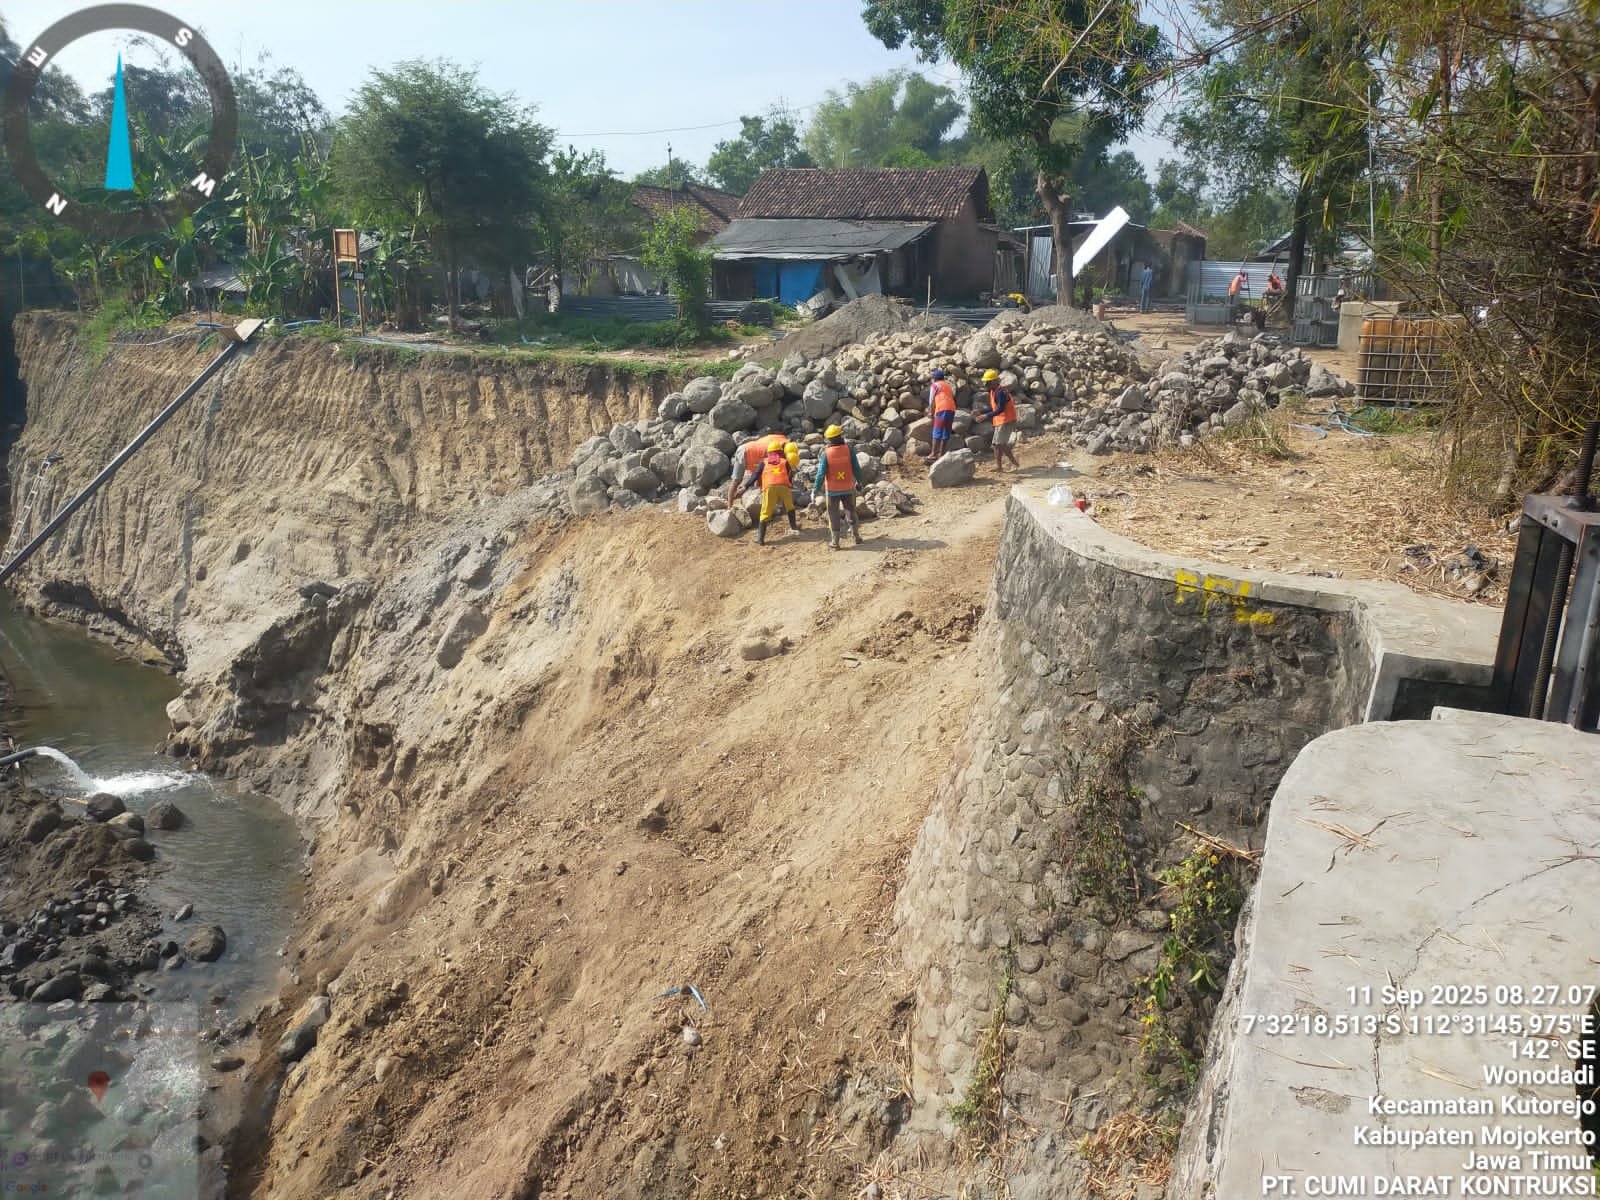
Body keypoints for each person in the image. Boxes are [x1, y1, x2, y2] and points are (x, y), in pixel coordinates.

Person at [813, 424, 864, 549]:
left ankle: (835, 542)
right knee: (850, 511)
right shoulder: (849, 449)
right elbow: (856, 468)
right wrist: (860, 481)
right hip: (848, 488)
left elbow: (821, 473)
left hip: (832, 490)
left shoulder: (826, 453)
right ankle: (856, 536)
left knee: (833, 514)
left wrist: (815, 490)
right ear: (840, 436)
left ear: (829, 439)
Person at [754, 438, 801, 546]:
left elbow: (756, 475)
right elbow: (790, 475)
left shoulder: (764, 462)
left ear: (769, 452)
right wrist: (789, 484)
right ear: (781, 452)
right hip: (784, 486)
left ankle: (760, 538)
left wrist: (746, 485)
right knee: (790, 506)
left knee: (765, 512)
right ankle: (794, 526)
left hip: (770, 487)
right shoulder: (785, 461)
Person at [974, 368, 1021, 473]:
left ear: (994, 381)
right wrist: (981, 412)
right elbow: (995, 408)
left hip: (1007, 420)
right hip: (1001, 421)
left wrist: (985, 416)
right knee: (997, 444)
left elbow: (1000, 409)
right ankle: (1000, 466)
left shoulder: (1000, 392)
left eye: (988, 382)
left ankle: (1013, 463)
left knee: (1000, 444)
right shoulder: (993, 391)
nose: (986, 385)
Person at [729, 433, 778, 503]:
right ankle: (756, 499)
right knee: (737, 480)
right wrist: (746, 487)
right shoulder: (771, 453)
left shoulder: (770, 447)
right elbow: (758, 472)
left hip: (743, 449)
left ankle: (729, 506)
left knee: (736, 480)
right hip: (746, 452)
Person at [925, 368, 958, 463]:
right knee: (946, 431)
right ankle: (941, 454)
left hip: (941, 409)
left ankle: (933, 454)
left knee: (937, 431)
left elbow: (931, 400)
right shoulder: (947, 386)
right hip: (951, 409)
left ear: (934, 379)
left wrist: (931, 413)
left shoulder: (935, 385)